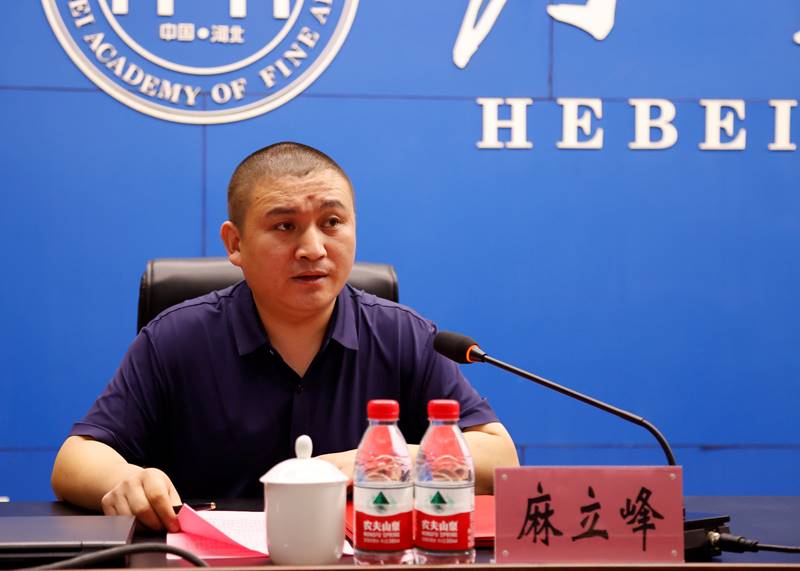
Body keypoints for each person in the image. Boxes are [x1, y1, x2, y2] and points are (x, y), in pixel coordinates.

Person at [51, 142, 519, 532]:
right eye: (284, 226)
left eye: (332, 223)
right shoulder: (177, 338)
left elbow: (500, 458)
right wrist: (127, 479)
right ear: (235, 244)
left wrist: (388, 458)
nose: (313, 248)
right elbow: (76, 459)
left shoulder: (403, 335)